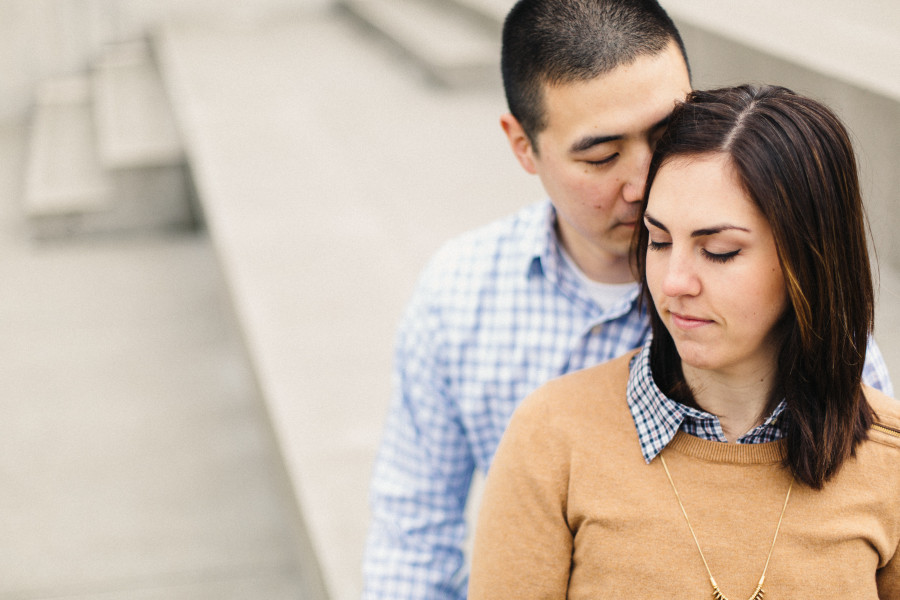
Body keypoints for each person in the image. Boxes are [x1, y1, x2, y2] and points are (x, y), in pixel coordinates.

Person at [361, 0, 893, 597]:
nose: (644, 185)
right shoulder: (460, 298)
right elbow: (412, 545)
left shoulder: (794, 321)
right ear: (523, 147)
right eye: (601, 156)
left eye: (669, 134)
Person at [468, 84, 900, 599]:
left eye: (718, 250)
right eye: (659, 240)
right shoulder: (551, 437)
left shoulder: (888, 459)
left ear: (807, 261)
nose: (674, 282)